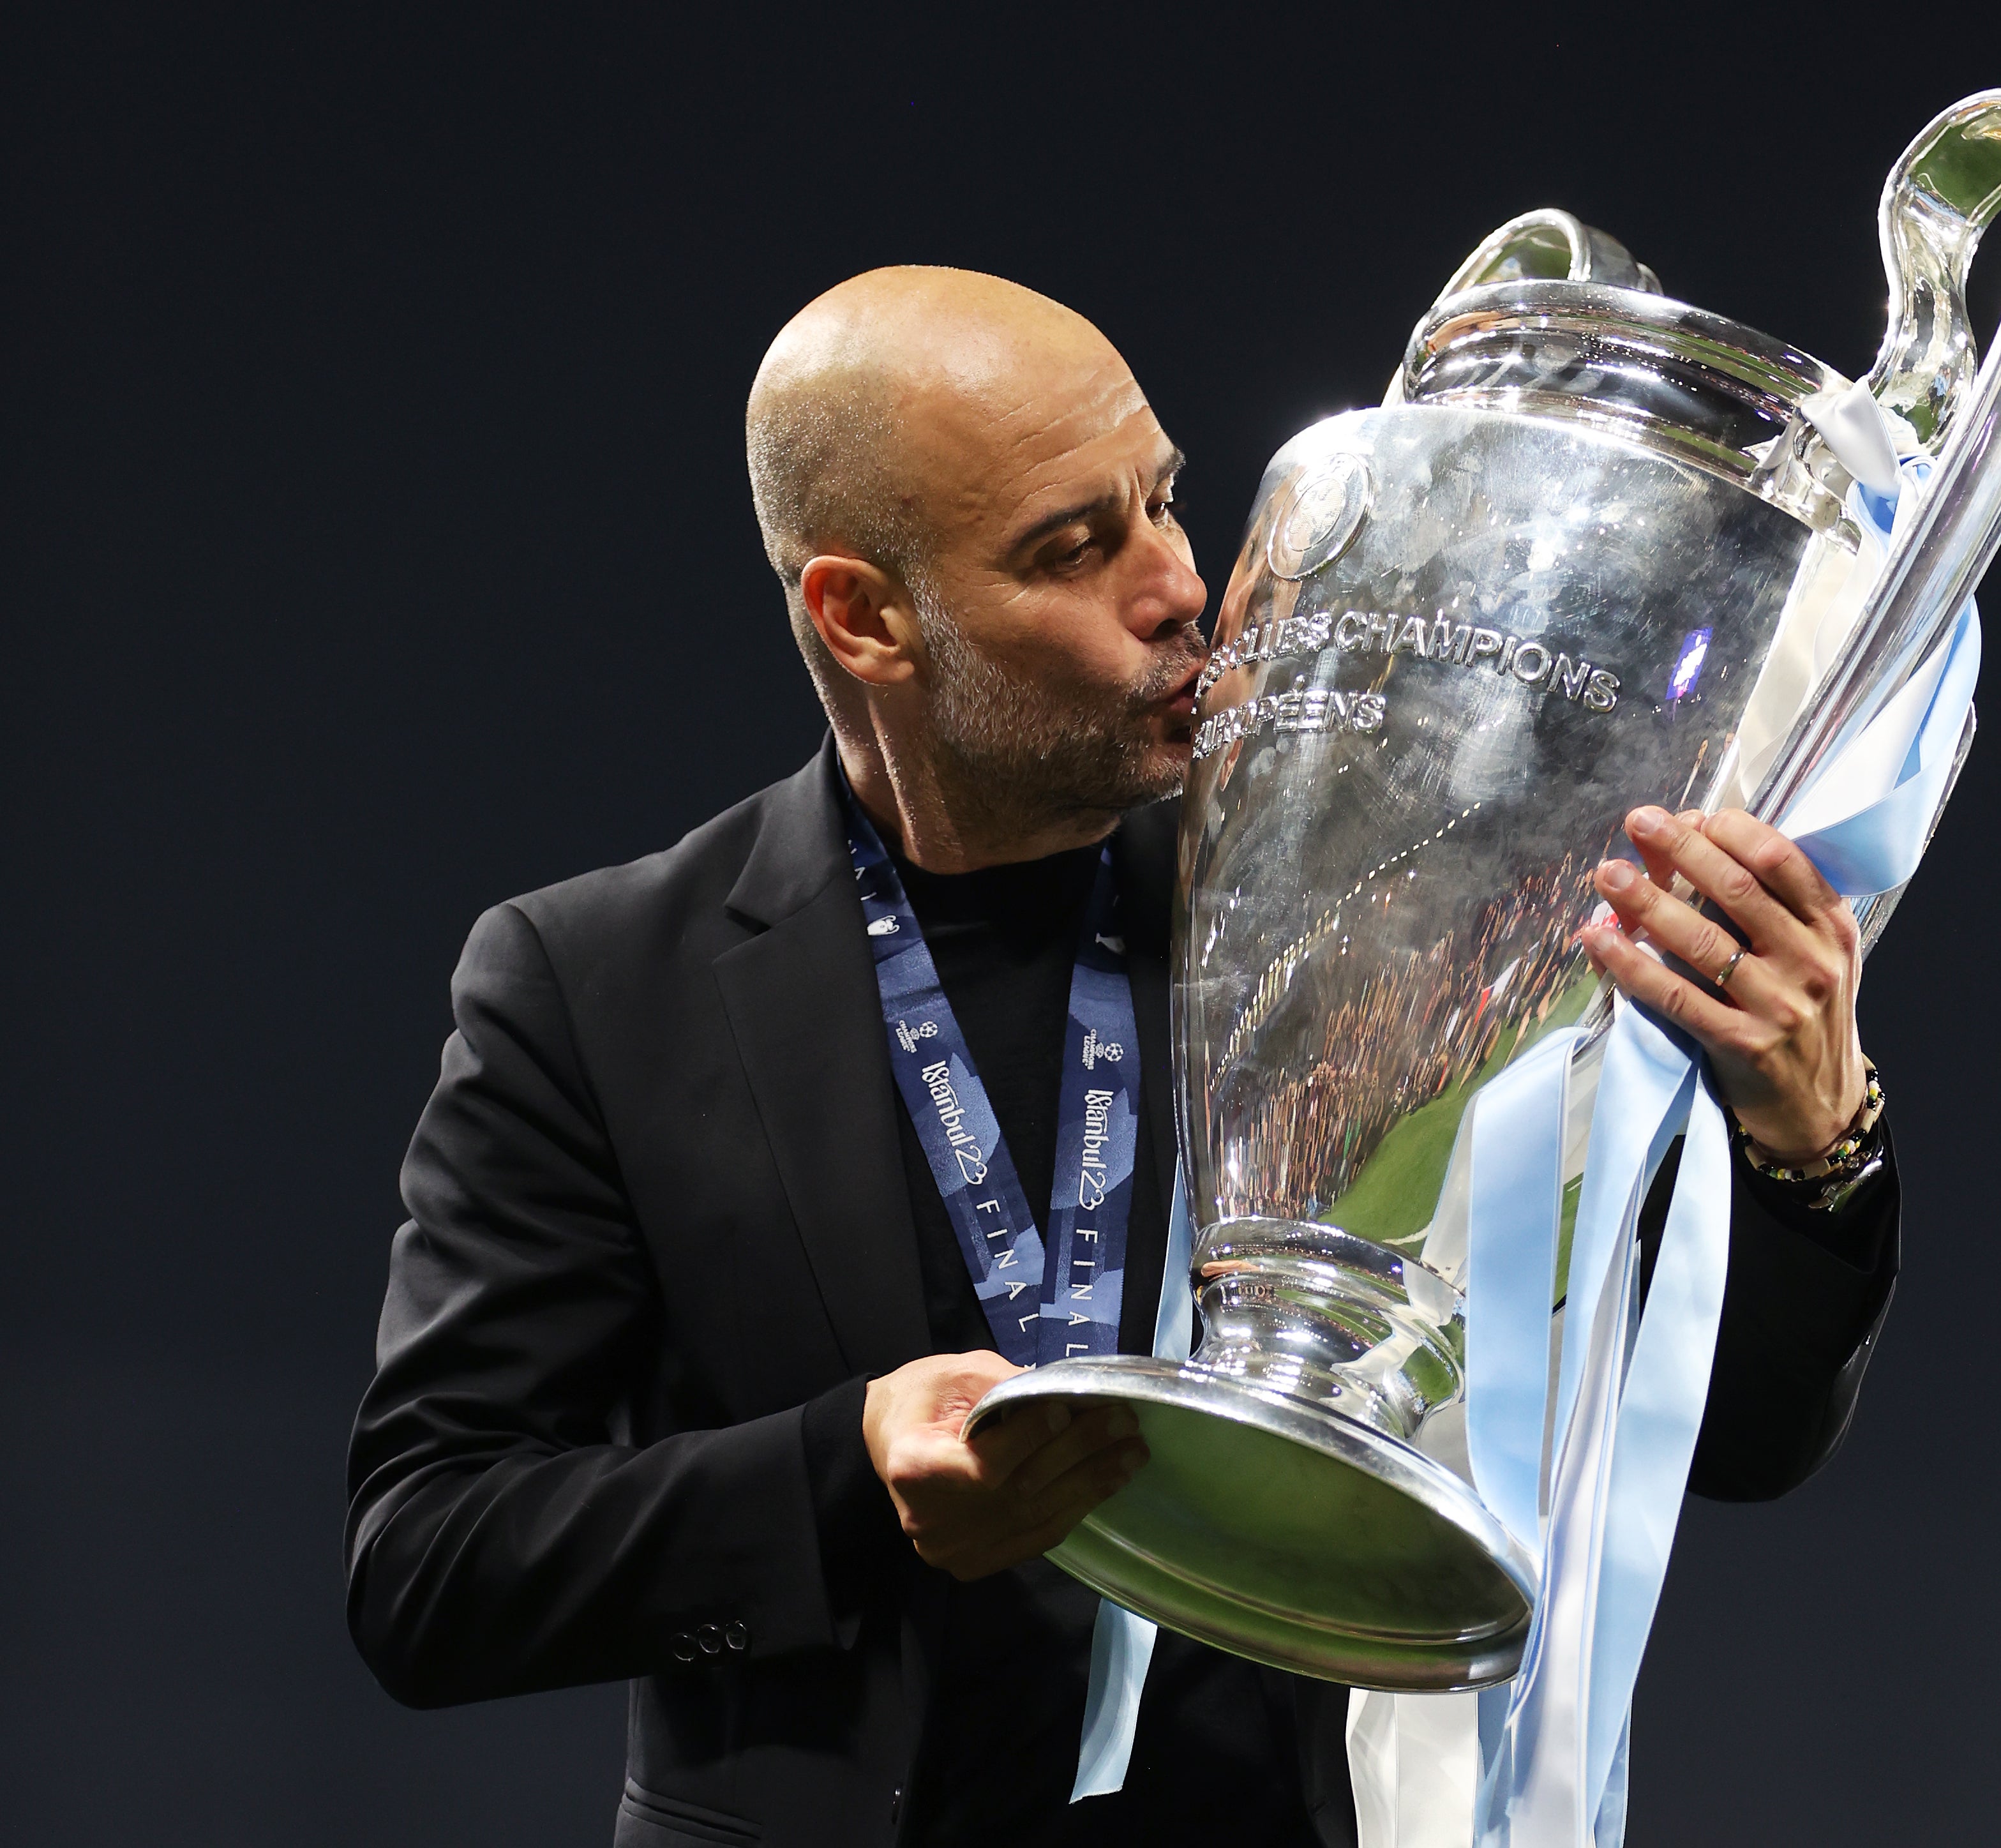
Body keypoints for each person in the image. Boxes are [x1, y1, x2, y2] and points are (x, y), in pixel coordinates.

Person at [346, 268, 1903, 1848]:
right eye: (1074, 549)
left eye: (1163, 501)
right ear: (865, 616)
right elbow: (429, 1564)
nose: (1180, 585)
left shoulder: (1377, 905)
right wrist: (847, 1479)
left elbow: (1734, 1442)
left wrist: (1808, 1134)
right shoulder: (600, 981)